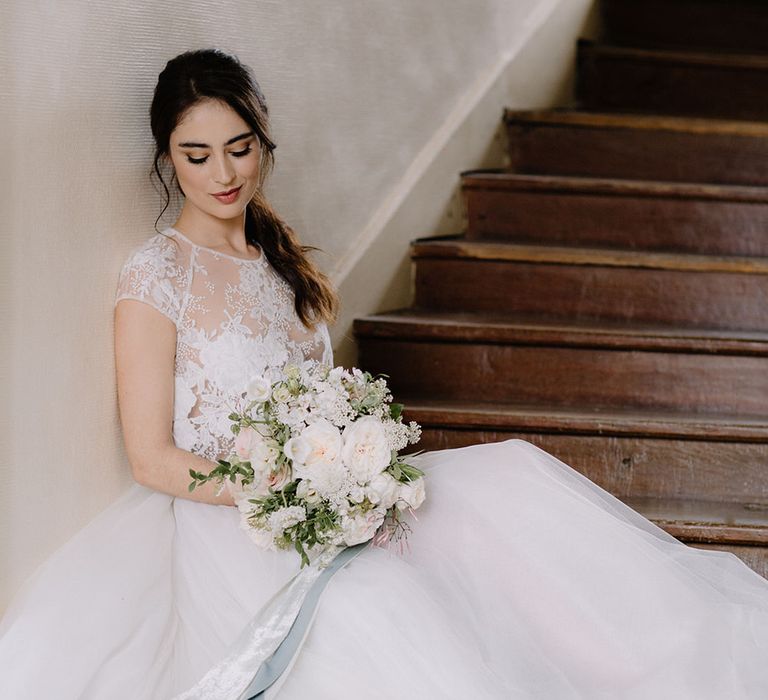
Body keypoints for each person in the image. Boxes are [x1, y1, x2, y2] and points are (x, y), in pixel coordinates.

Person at [1, 48, 768, 700]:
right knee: (396, 617)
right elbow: (153, 460)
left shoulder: (277, 262)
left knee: (508, 480)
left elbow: (319, 403)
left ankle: (644, 666)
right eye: (196, 155)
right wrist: (285, 492)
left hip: (321, 499)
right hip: (235, 525)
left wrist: (349, 475)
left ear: (264, 138)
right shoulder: (155, 275)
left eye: (240, 147)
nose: (223, 173)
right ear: (166, 158)